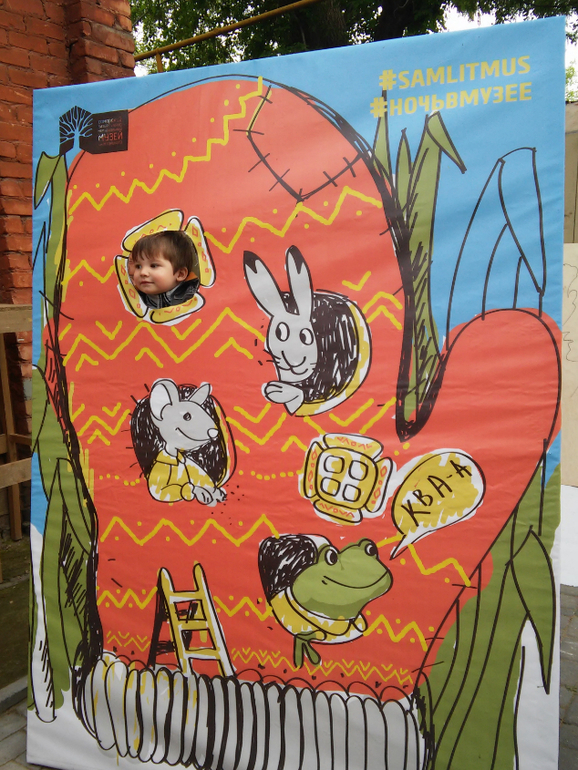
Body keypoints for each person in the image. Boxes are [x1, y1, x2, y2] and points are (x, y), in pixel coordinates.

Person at [130, 230, 200, 308]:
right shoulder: (133, 299)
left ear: (180, 274)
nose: (143, 272)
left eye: (154, 266)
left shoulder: (193, 296)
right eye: (138, 266)